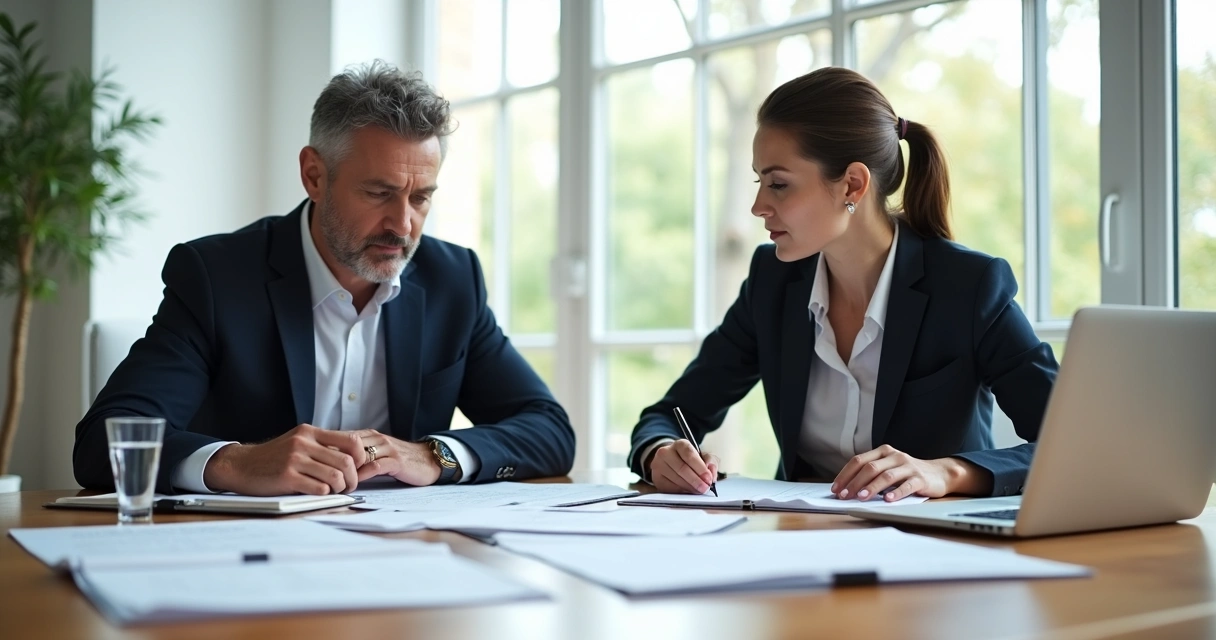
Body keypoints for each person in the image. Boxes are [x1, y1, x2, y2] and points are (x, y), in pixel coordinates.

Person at [74, 61, 575, 496]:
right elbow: (105, 442)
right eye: (379, 193)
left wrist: (433, 455)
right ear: (314, 175)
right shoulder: (216, 277)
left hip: (404, 553)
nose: (403, 225)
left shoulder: (453, 280)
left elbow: (549, 430)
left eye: (421, 197)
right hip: (244, 555)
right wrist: (237, 463)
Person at [629, 67, 1058, 502]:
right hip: (798, 531)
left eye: (779, 184)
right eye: (760, 182)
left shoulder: (969, 286)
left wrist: (945, 472)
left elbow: (1068, 443)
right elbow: (670, 415)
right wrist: (661, 453)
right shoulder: (772, 280)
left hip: (930, 537)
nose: (758, 206)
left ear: (852, 184)